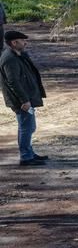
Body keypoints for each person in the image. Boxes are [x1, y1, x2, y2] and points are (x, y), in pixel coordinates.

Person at [1, 29, 47, 166]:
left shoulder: (18, 55)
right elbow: (13, 82)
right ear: (14, 43)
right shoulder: (10, 59)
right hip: (22, 101)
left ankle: (29, 153)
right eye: (23, 41)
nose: (25, 43)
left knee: (28, 127)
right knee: (27, 127)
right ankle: (26, 157)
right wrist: (24, 100)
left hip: (26, 98)